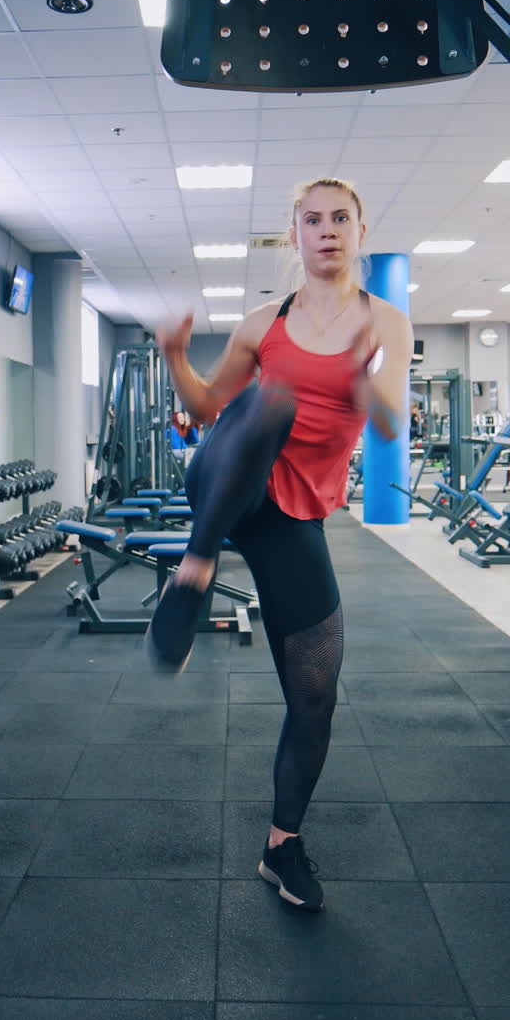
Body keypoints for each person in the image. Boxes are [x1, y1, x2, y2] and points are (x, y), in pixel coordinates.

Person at [148, 177, 413, 911]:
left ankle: (282, 848)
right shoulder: (265, 321)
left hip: (295, 517)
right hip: (230, 482)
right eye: (311, 220)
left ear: (360, 229)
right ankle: (194, 571)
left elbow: (391, 426)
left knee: (316, 695)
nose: (326, 230)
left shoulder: (386, 323)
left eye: (340, 218)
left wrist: (367, 386)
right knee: (270, 402)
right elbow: (206, 410)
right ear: (293, 235)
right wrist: (175, 357)